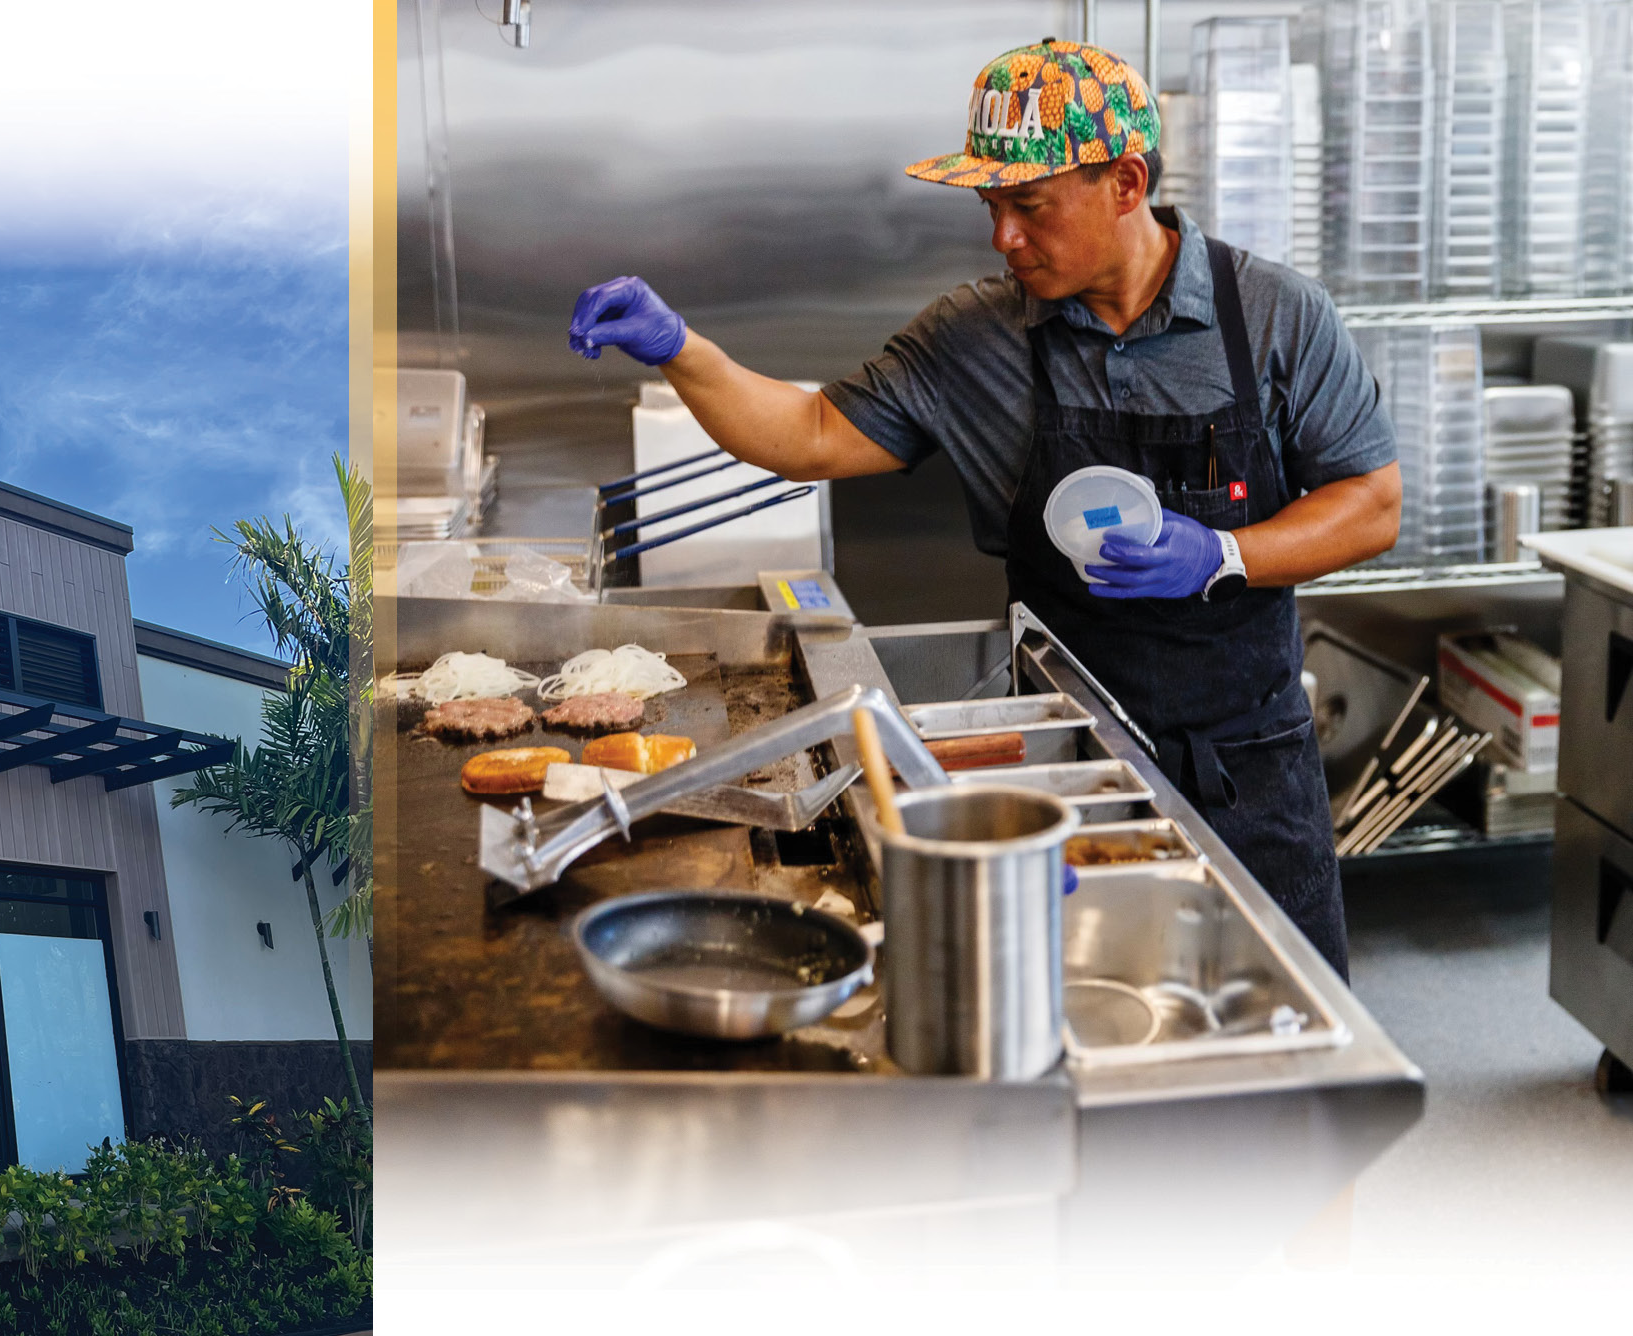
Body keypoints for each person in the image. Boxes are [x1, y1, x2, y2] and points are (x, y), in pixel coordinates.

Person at [566, 39, 1399, 978]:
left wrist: (1224, 554)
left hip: (1253, 772)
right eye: (989, 207)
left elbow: (1372, 504)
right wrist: (684, 351)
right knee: (1079, 1036)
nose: (1002, 237)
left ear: (1125, 183)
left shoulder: (1278, 318)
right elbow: (806, 433)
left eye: (1028, 206)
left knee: (1285, 1057)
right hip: (1066, 766)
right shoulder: (975, 339)